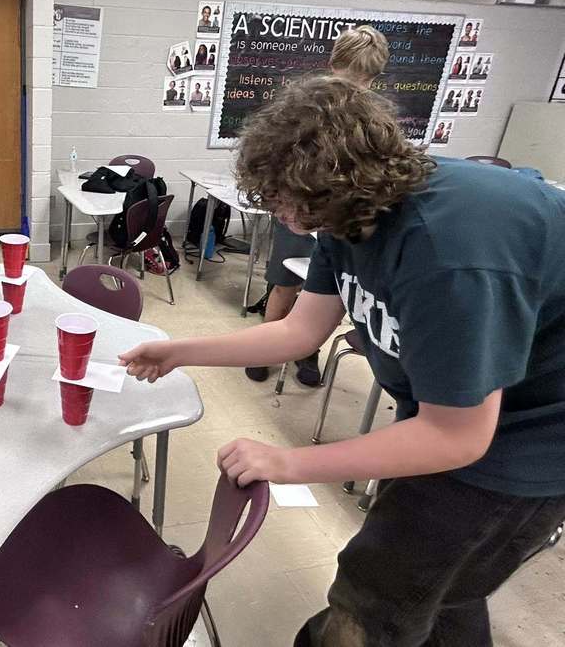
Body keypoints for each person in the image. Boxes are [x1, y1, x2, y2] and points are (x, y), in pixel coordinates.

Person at [121, 75, 565, 647]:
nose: (278, 213)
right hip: (461, 409)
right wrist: (179, 351)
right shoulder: (346, 214)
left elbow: (457, 437)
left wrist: (286, 462)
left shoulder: (448, 254)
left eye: (284, 200)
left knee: (376, 591)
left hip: (532, 435)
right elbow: (300, 330)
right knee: (440, 583)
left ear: (333, 184)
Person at [245, 25, 389, 387]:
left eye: (363, 77)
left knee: (323, 291)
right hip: (305, 208)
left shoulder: (376, 120)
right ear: (334, 65)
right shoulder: (308, 107)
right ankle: (266, 349)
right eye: (350, 73)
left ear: (374, 77)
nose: (355, 85)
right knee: (285, 283)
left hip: (343, 216)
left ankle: (307, 350)